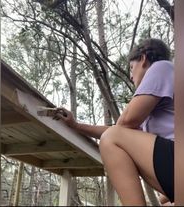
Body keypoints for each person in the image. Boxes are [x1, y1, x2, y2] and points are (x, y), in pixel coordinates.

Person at [53, 38, 174, 206]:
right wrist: (76, 125)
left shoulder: (162, 67)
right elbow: (120, 132)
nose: (131, 76)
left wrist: (116, 131)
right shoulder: (155, 111)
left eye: (132, 68)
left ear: (144, 59)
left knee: (111, 137)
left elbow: (121, 127)